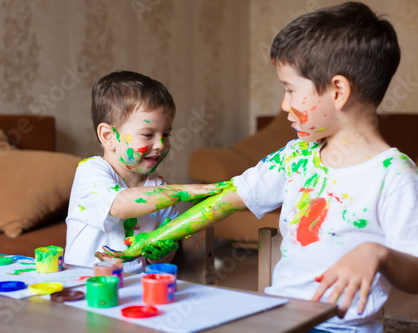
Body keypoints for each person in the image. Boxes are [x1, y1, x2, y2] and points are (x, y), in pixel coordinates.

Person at [97, 2, 418, 332]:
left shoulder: (394, 176)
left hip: (344, 328)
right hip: (281, 316)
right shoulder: (297, 156)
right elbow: (225, 201)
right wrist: (149, 241)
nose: (284, 105)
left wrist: (378, 253)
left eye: (290, 89)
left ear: (338, 91)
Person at [64, 70, 220, 274]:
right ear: (109, 136)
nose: (160, 145)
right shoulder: (91, 171)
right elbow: (120, 204)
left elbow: (163, 259)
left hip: (135, 289)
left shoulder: (159, 188)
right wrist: (184, 191)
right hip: (85, 284)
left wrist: (161, 251)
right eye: (148, 135)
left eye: (166, 134)